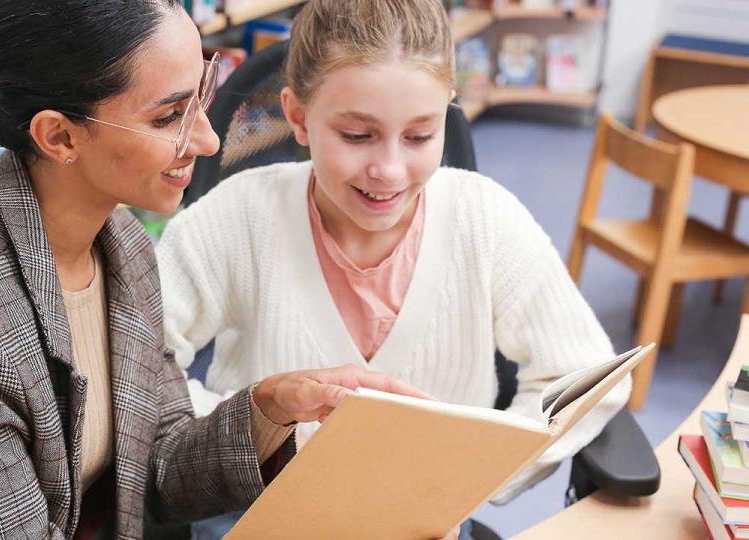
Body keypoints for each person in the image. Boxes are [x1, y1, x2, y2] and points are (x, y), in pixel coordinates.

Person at [0, 1, 434, 538]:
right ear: (59, 137)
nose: (208, 140)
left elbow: (153, 469)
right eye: (167, 115)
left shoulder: (120, 244)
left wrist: (271, 407)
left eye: (200, 94)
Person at [156, 0, 631, 537]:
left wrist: (473, 470)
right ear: (297, 117)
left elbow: (587, 377)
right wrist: (252, 446)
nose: (388, 170)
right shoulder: (238, 214)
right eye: (357, 136)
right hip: (260, 518)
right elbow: (137, 371)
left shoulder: (485, 219)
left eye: (420, 136)